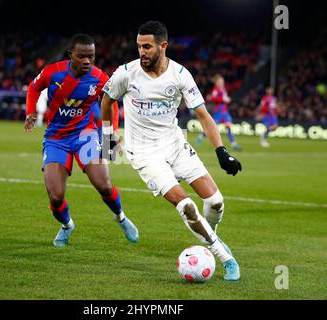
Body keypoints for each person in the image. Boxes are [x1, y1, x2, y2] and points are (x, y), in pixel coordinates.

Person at [101, 21, 242, 281]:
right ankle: (224, 255)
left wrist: (221, 151)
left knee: (216, 202)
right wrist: (109, 136)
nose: (141, 52)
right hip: (144, 152)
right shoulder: (126, 73)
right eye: (139, 46)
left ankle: (209, 239)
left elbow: (203, 114)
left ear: (163, 46)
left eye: (147, 46)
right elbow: (107, 99)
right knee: (187, 205)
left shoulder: (179, 74)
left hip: (175, 145)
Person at [24, 34, 139, 247]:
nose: (87, 61)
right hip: (56, 139)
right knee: (56, 196)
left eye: (91, 56)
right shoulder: (53, 71)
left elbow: (111, 102)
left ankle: (121, 218)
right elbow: (33, 87)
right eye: (82, 56)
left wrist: (112, 132)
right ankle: (67, 225)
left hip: (85, 135)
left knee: (104, 185)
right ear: (71, 56)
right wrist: (31, 111)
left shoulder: (99, 77)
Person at [196, 74, 242, 150]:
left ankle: (234, 144)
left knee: (228, 126)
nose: (222, 83)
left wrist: (226, 99)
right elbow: (213, 98)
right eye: (220, 81)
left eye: (222, 81)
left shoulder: (223, 89)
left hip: (224, 111)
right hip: (218, 111)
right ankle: (201, 137)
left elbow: (224, 98)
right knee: (212, 127)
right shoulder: (216, 89)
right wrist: (223, 99)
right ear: (217, 82)